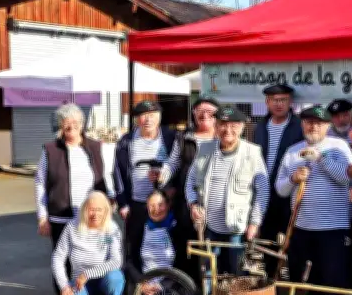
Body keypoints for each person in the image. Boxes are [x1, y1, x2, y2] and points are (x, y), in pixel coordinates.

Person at [275, 105, 352, 295]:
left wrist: (321, 159)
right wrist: (293, 178)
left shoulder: (339, 147)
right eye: (309, 122)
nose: (313, 126)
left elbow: (346, 179)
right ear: (302, 125)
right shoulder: (292, 151)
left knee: (333, 279)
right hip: (301, 227)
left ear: (327, 126)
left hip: (333, 227)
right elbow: (280, 189)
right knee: (309, 278)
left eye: (319, 123)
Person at [35, 103, 111, 295]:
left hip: (91, 216)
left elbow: (104, 178)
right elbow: (40, 182)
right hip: (61, 215)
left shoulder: (95, 147)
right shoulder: (50, 150)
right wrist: (42, 216)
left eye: (75, 122)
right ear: (60, 125)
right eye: (66, 123)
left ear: (82, 124)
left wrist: (110, 201)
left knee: (90, 257)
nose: (71, 126)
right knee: (63, 258)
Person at [186, 105, 269, 278]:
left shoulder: (252, 153)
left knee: (238, 276)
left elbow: (263, 190)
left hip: (237, 230)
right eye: (223, 124)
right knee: (209, 276)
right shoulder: (205, 149)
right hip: (209, 227)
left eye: (233, 125)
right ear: (216, 126)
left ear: (241, 127)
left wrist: (255, 223)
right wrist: (193, 204)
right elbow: (191, 180)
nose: (227, 130)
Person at [114, 101, 179, 285]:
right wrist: (123, 203)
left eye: (152, 114)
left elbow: (177, 166)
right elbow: (117, 172)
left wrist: (166, 183)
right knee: (136, 247)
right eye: (143, 115)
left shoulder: (170, 137)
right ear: (136, 119)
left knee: (167, 248)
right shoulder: (127, 141)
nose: (147, 119)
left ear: (159, 116)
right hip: (137, 204)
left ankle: (169, 286)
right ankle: (140, 288)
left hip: (165, 204)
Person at [159, 95, 220, 285]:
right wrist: (163, 175)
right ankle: (188, 290)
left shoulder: (224, 137)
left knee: (212, 247)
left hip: (216, 201)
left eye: (210, 112)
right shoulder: (184, 137)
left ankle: (210, 292)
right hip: (188, 201)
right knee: (187, 244)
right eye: (199, 111)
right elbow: (173, 162)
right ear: (193, 114)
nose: (204, 115)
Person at [52, 191, 125, 295]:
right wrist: (64, 285)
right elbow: (58, 257)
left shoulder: (111, 229)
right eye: (91, 209)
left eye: (99, 210)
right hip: (80, 282)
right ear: (85, 209)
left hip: (103, 278)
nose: (95, 214)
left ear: (106, 211)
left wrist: (88, 274)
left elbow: (116, 261)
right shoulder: (72, 227)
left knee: (116, 277)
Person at [252, 83, 304, 278]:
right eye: (274, 100)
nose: (279, 104)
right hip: (265, 192)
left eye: (283, 100)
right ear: (267, 102)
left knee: (293, 241)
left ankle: (294, 285)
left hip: (290, 191)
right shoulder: (260, 126)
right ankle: (270, 280)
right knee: (267, 240)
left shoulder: (298, 126)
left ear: (290, 101)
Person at [126, 189, 177, 295]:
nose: (156, 209)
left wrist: (161, 285)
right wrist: (142, 283)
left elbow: (183, 264)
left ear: (168, 205)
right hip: (144, 285)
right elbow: (130, 260)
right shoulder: (140, 228)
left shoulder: (177, 228)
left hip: (171, 285)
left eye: (160, 205)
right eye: (152, 206)